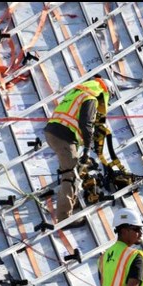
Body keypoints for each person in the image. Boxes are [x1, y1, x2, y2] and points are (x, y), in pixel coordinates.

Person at [44, 77, 110, 224]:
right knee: (70, 176)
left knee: (69, 170)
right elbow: (86, 125)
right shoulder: (91, 98)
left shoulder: (77, 93)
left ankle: (70, 202)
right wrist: (87, 148)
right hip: (63, 137)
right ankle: (64, 218)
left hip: (53, 133)